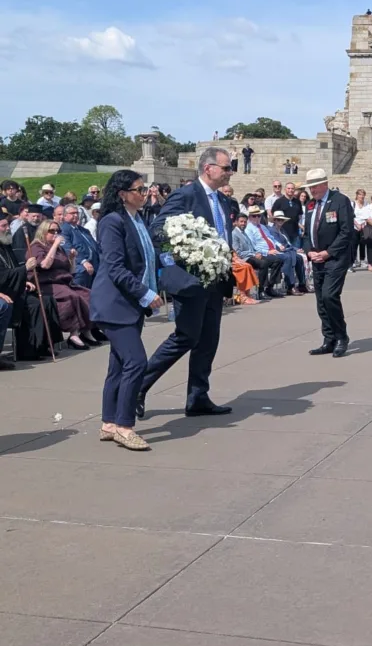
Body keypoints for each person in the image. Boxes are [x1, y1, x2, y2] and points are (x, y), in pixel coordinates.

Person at [137, 146, 236, 419]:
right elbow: (159, 230)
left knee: (208, 341)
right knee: (185, 337)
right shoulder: (185, 195)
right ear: (209, 168)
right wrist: (187, 248)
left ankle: (198, 397)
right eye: (226, 167)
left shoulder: (223, 201)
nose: (230, 172)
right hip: (190, 280)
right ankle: (138, 387)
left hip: (215, 280)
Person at [92, 170, 165, 452]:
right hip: (114, 304)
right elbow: (115, 267)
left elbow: (145, 257)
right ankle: (125, 426)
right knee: (136, 362)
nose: (144, 193)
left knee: (119, 365)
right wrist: (145, 293)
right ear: (123, 193)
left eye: (144, 188)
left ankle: (109, 423)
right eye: (139, 189)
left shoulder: (136, 219)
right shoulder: (112, 221)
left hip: (129, 305)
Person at [303, 168, 353, 357]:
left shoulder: (340, 201)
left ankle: (341, 337)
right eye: (310, 187)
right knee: (320, 301)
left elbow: (346, 232)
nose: (312, 191)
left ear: (324, 184)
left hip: (335, 258)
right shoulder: (309, 205)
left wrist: (328, 252)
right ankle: (329, 338)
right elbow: (306, 233)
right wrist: (309, 251)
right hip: (316, 259)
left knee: (329, 296)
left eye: (314, 186)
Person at [0, 215, 63, 362]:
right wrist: (25, 269)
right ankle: (28, 351)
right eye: (3, 226)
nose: (8, 228)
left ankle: (45, 345)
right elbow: (2, 275)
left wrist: (24, 281)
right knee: (33, 305)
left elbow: (12, 270)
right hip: (6, 292)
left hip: (14, 288)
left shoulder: (6, 246)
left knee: (47, 300)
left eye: (7, 225)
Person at [30, 219, 97, 350]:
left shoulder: (59, 249)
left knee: (88, 295)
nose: (55, 233)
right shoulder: (37, 247)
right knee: (72, 296)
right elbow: (44, 265)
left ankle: (86, 329)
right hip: (47, 283)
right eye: (51, 231)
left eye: (57, 231)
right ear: (43, 232)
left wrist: (72, 259)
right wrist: (55, 245)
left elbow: (70, 270)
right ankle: (73, 332)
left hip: (64, 281)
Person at [233, 209, 284, 299]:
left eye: (244, 222)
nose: (243, 224)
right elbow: (238, 252)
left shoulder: (244, 232)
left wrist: (256, 253)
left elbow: (251, 246)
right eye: (241, 222)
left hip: (253, 254)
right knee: (263, 263)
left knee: (278, 260)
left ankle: (270, 287)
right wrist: (254, 254)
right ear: (236, 222)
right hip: (245, 258)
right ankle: (261, 290)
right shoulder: (235, 234)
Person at [60, 204, 100, 288]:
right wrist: (83, 261)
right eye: (72, 213)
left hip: (95, 265)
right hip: (80, 267)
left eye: (77, 213)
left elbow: (95, 246)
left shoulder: (84, 230)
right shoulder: (64, 230)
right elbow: (67, 248)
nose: (75, 215)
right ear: (65, 216)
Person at [271, 211, 308, 294]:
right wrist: (293, 250)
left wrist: (296, 249)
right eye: (278, 220)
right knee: (290, 258)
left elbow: (288, 244)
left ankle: (302, 284)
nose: (280, 221)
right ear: (274, 220)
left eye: (282, 220)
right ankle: (290, 285)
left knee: (299, 257)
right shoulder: (272, 231)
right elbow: (277, 245)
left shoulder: (283, 230)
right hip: (279, 251)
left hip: (288, 249)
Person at [351, 188, 370, 270]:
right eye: (360, 194)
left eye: (363, 195)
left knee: (363, 244)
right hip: (355, 226)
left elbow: (368, 215)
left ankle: (362, 260)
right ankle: (354, 260)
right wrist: (357, 224)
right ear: (357, 195)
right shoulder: (353, 204)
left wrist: (363, 224)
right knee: (354, 244)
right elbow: (350, 216)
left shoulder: (367, 204)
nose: (361, 196)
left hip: (364, 226)